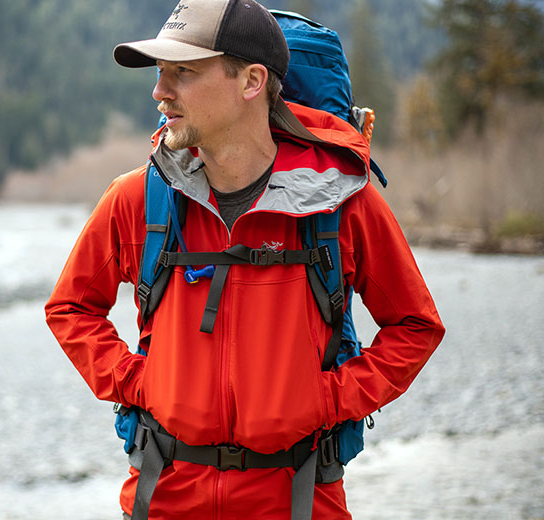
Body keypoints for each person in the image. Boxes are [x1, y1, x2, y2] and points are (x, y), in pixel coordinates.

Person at [45, 0, 445, 518]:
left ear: (252, 81)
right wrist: (140, 381)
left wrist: (331, 399)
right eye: (161, 73)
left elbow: (416, 325)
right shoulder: (138, 200)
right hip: (164, 499)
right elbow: (70, 308)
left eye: (182, 73)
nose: (159, 92)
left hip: (301, 499)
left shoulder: (342, 204)